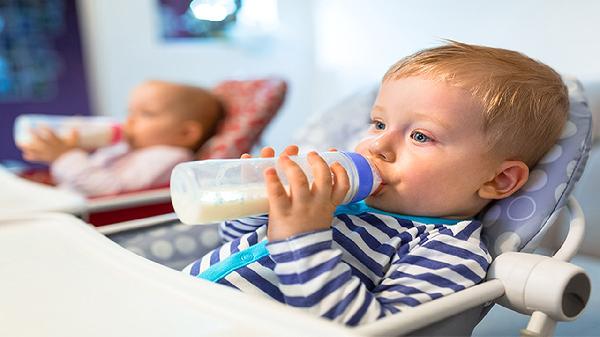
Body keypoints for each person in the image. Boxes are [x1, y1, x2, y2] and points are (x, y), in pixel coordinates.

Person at [184, 41, 569, 326]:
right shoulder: (340, 201)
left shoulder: (448, 252)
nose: (377, 145)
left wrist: (302, 237)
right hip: (178, 305)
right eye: (379, 123)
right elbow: (235, 248)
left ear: (498, 180)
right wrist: (257, 208)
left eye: (420, 136)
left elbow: (369, 328)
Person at [18, 80, 223, 196]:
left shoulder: (171, 156)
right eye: (129, 112)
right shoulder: (127, 148)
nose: (130, 121)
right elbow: (73, 179)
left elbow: (109, 190)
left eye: (146, 114)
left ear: (186, 133)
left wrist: (65, 157)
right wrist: (80, 149)